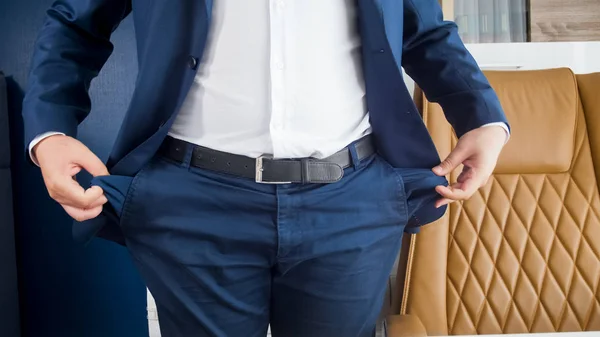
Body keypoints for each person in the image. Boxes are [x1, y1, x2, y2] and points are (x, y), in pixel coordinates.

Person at [23, 0, 510, 336]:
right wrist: (50, 130)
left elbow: (423, 28)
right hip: (194, 205)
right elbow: (76, 21)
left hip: (350, 201)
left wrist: (483, 116)